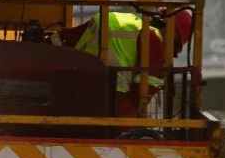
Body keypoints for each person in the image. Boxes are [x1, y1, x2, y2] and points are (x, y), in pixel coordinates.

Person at [52, 8, 193, 116]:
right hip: (114, 108)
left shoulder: (107, 18)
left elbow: (61, 41)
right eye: (173, 45)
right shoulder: (152, 39)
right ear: (171, 32)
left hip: (74, 98)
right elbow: (145, 91)